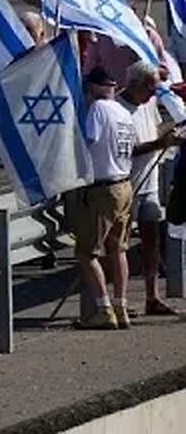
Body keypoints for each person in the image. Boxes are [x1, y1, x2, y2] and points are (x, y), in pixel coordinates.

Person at [76, 67, 178, 329]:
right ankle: (120, 305)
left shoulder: (98, 109)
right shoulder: (121, 110)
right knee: (118, 249)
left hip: (105, 186)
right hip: (126, 184)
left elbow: (88, 141)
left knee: (89, 252)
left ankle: (104, 307)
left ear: (93, 88)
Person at [119, 61, 180, 317]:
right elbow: (125, 151)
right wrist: (159, 143)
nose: (153, 95)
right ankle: (117, 299)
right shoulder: (118, 109)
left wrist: (169, 137)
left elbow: (154, 130)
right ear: (135, 85)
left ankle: (152, 295)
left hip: (150, 181)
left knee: (152, 240)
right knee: (119, 243)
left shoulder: (149, 104)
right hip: (128, 183)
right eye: (149, 89)